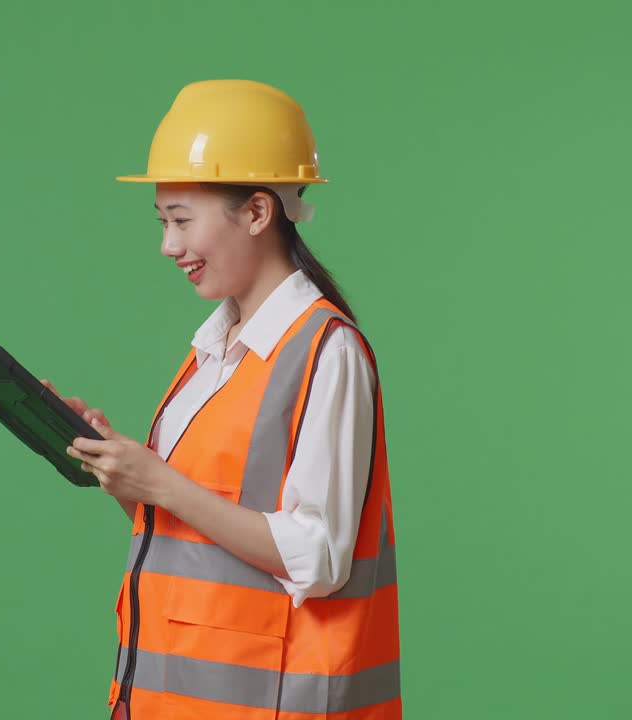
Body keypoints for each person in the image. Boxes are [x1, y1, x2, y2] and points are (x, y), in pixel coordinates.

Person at [43, 79, 401, 720]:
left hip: (273, 702)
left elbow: (317, 558)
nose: (168, 245)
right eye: (162, 222)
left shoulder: (327, 352)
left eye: (182, 221)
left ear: (259, 212)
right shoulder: (213, 350)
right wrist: (123, 468)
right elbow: (193, 532)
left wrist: (162, 482)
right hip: (171, 698)